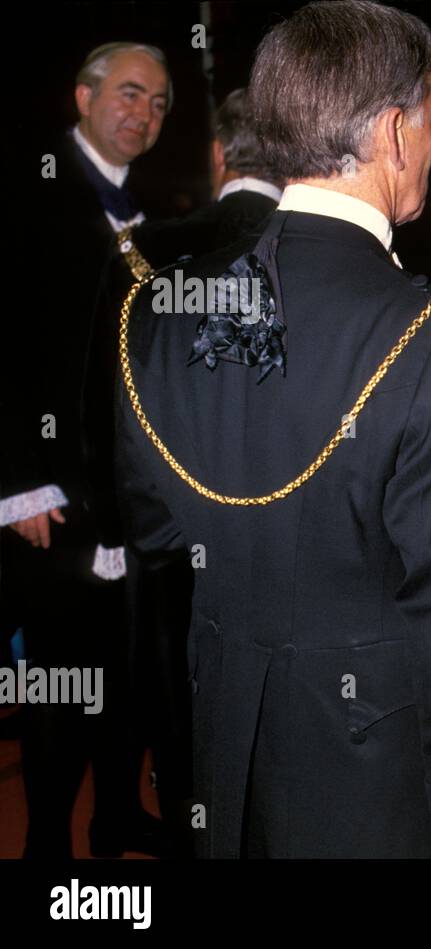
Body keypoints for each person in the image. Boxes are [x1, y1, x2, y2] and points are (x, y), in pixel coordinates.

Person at [115, 0, 431, 858]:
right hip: (378, 777)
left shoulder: (156, 307)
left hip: (224, 742)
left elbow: (154, 529)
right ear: (394, 133)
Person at [83, 86, 284, 858]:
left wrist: (118, 531)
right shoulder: (337, 250)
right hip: (292, 547)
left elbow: (102, 413)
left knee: (184, 739)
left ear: (217, 154)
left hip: (166, 544)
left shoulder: (142, 251)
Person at [2, 40, 172, 858]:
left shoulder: (152, 207)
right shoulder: (31, 189)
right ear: (83, 96)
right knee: (58, 685)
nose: (144, 113)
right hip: (50, 494)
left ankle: (113, 818)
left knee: (126, 676)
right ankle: (43, 845)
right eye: (130, 94)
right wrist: (19, 481)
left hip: (129, 495)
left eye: (160, 103)